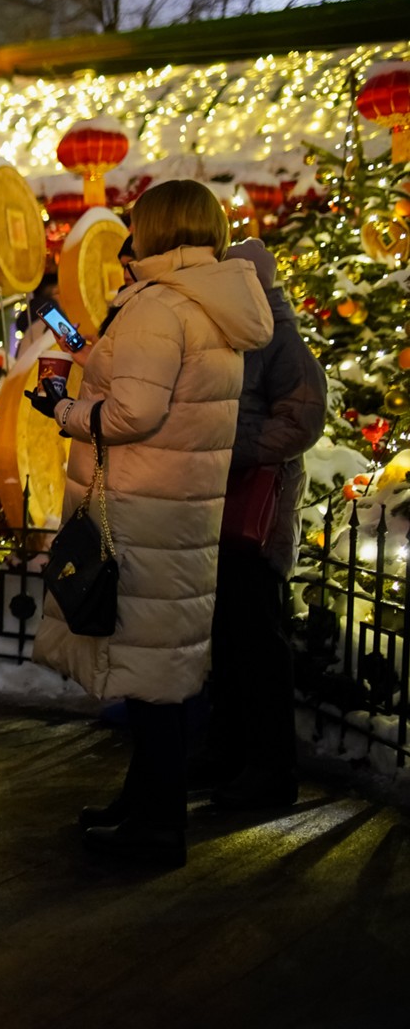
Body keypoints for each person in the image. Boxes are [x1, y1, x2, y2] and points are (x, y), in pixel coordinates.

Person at [27, 179, 271, 867]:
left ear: (157, 227)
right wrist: (76, 340)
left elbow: (132, 414)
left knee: (150, 683)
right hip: (176, 512)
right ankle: (142, 804)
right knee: (156, 670)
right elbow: (136, 376)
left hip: (140, 514)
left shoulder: (158, 308)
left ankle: (157, 828)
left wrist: (63, 413)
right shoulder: (203, 302)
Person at [197, 238, 325, 809]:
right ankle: (230, 753)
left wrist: (231, 446)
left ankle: (270, 769)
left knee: (256, 643)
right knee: (228, 639)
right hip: (223, 510)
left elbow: (300, 421)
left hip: (256, 517)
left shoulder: (280, 341)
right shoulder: (240, 332)